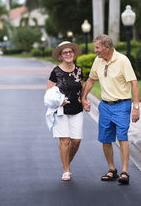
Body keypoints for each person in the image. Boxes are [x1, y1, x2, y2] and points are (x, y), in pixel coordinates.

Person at [81, 35, 140, 185]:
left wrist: (136, 107)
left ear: (107, 48)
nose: (95, 51)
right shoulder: (98, 60)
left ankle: (125, 172)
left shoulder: (122, 60)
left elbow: (134, 83)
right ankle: (112, 170)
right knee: (105, 139)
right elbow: (91, 80)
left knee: (122, 137)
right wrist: (83, 98)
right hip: (105, 106)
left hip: (122, 105)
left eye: (97, 47)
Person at [45, 41, 84, 181]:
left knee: (76, 141)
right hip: (61, 111)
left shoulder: (79, 70)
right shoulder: (56, 72)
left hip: (77, 110)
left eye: (70, 52)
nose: (68, 54)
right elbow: (48, 92)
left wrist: (84, 100)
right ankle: (66, 169)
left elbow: (81, 88)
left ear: (73, 54)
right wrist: (58, 101)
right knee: (65, 140)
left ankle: (65, 162)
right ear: (61, 56)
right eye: (65, 52)